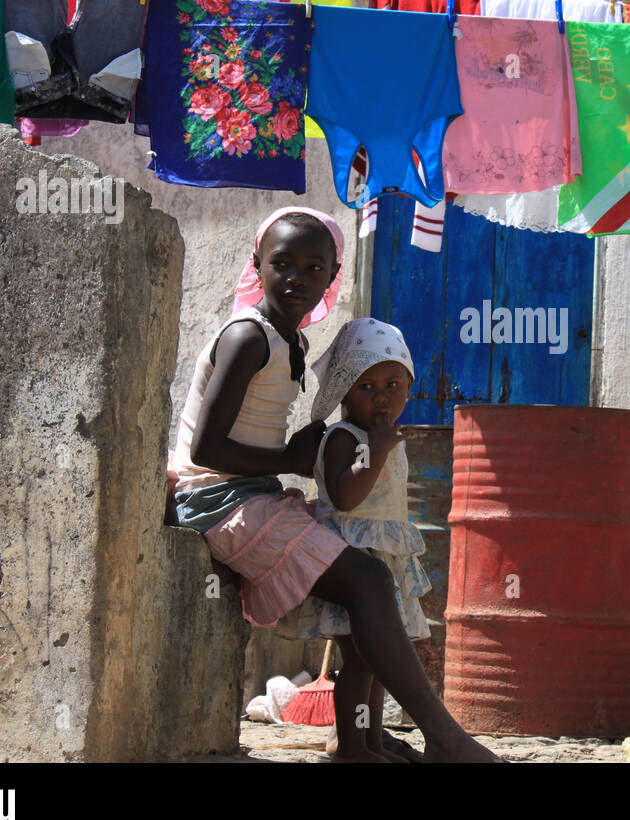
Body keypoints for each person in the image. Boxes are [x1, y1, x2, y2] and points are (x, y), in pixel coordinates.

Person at [167, 206, 497, 763]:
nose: (297, 277)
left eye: (313, 267)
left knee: (366, 588)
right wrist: (290, 458)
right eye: (282, 264)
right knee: (367, 579)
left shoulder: (287, 342)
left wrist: (297, 454)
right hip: (211, 497)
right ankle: (444, 738)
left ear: (332, 275)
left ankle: (362, 739)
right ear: (257, 265)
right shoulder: (249, 336)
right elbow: (206, 450)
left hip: (246, 492)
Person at [289, 317, 429, 762]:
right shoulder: (344, 438)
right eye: (365, 386)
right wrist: (378, 450)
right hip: (348, 564)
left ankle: (369, 742)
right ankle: (350, 746)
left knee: (378, 663)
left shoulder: (387, 439)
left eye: (392, 384)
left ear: (410, 387)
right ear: (345, 392)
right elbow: (347, 496)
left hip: (380, 562)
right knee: (361, 661)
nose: (382, 396)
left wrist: (386, 446)